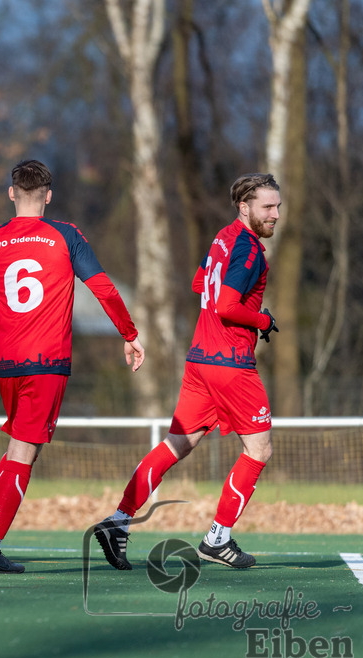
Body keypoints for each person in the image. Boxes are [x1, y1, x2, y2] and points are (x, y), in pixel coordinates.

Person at [0, 159, 145, 573]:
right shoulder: (65, 236)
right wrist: (129, 334)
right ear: (49, 196)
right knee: (25, 450)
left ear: (11, 194)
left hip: (7, 363)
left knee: (19, 448)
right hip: (47, 362)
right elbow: (103, 288)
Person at [95, 173, 281, 571]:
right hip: (231, 365)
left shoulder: (222, 238)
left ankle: (118, 522)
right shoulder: (249, 249)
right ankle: (218, 537)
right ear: (244, 207)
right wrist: (261, 321)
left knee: (176, 445)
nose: (276, 214)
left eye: (278, 206)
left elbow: (201, 283)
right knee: (259, 450)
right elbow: (228, 306)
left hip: (200, 360)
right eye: (268, 207)